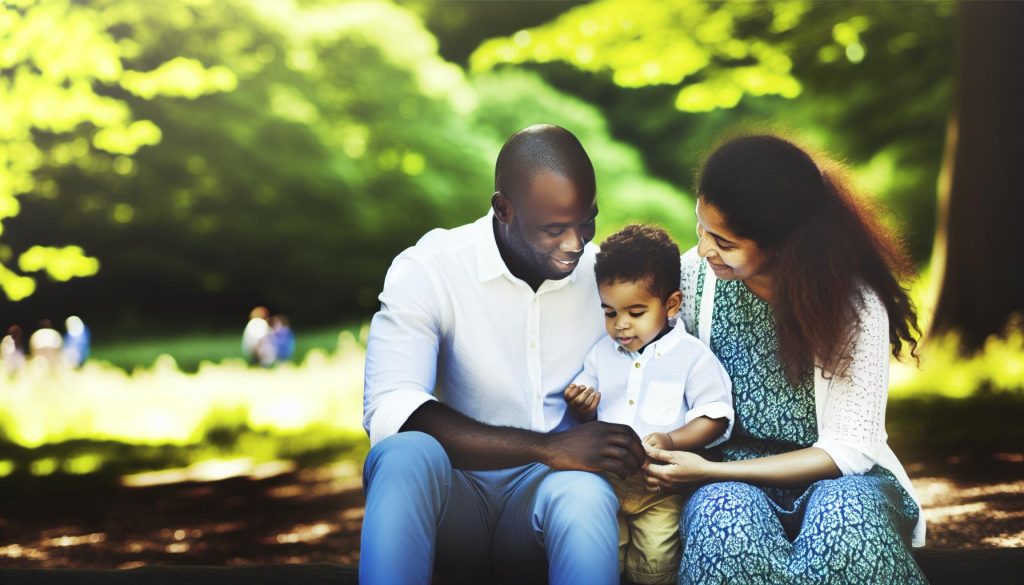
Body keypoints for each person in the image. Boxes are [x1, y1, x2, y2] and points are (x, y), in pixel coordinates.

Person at [361, 124, 646, 585]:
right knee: (403, 454)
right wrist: (548, 447)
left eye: (587, 222)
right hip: (453, 502)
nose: (576, 243)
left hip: (547, 504)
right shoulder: (431, 268)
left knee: (585, 492)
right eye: (554, 229)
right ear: (504, 209)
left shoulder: (608, 281)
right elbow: (392, 409)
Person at [642, 135, 927, 584]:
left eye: (724, 241)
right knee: (722, 518)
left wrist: (711, 470)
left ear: (783, 244)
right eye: (700, 227)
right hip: (726, 482)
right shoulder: (694, 280)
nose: (705, 248)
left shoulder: (852, 305)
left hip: (839, 481)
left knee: (846, 520)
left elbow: (849, 450)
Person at [563, 224, 733, 585]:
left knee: (655, 564)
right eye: (610, 313)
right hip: (605, 481)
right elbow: (590, 406)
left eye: (636, 312)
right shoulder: (601, 354)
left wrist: (671, 440)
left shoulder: (692, 357)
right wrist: (582, 408)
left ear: (671, 304)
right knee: (604, 556)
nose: (621, 326)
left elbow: (714, 416)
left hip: (661, 489)